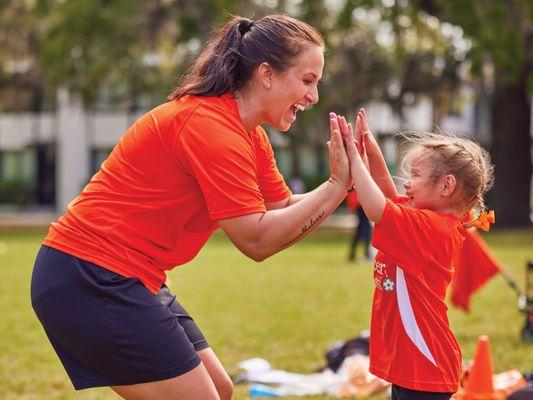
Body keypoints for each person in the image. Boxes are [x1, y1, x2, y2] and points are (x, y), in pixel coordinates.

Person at [30, 15, 353, 400]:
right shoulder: (210, 127)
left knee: (219, 388)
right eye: (307, 81)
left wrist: (350, 186)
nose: (313, 97)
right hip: (89, 274)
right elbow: (256, 239)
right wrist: (337, 186)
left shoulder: (250, 137)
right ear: (267, 74)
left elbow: (282, 208)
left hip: (128, 274)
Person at [332, 108, 494, 400]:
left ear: (447, 185)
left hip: (426, 366)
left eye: (415, 175)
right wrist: (369, 148)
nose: (407, 182)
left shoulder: (432, 228)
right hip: (416, 364)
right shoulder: (424, 218)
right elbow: (386, 197)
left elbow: (375, 208)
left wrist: (354, 160)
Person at [346, 190, 373, 262]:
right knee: (366, 230)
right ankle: (366, 254)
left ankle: (353, 255)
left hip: (360, 203)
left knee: (360, 230)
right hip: (361, 204)